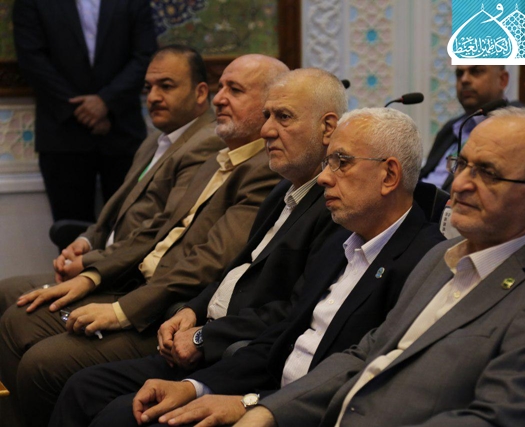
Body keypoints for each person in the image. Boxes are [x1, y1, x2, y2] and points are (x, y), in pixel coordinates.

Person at [50, 108, 445, 427]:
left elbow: (363, 385)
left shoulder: (425, 263)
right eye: (328, 162)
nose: (325, 177)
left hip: (296, 412)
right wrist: (195, 387)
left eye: (341, 163)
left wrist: (250, 403)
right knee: (120, 407)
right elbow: (281, 338)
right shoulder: (341, 243)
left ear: (389, 175)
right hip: (261, 389)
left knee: (122, 415)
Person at [236, 107, 525, 427]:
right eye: (462, 165)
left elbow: (497, 419)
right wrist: (267, 411)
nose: (460, 184)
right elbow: (366, 354)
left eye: (488, 173)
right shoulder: (441, 257)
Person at [0, 54, 287, 427]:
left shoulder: (264, 170)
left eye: (235, 90)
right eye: (221, 88)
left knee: (41, 361)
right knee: (17, 319)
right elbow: (156, 228)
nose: (219, 99)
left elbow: (210, 261)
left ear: (269, 105)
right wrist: (92, 275)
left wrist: (120, 309)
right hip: (139, 284)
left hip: (169, 311)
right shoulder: (219, 157)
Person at [0, 45, 224, 311]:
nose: (153, 97)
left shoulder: (206, 143)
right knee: (7, 293)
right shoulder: (154, 140)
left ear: (200, 92)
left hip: (128, 282)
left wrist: (90, 263)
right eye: (148, 87)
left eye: (166, 86)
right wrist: (84, 243)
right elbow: (118, 212)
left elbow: (163, 230)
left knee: (14, 306)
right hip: (102, 265)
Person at [13, 0, 157, 222]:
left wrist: (106, 102)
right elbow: (32, 60)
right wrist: (82, 109)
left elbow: (145, 55)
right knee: (71, 231)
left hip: (122, 131)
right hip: (62, 135)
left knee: (130, 227)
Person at [419, 65, 510, 192]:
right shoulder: (451, 127)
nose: (464, 79)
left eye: (476, 71)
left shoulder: (516, 127)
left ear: (502, 79)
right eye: (459, 73)